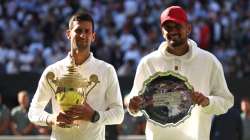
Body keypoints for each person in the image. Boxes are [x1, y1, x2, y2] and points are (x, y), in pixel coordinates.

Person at [127, 6, 234, 140]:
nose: (173, 31)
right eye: (168, 27)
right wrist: (133, 106)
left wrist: (207, 102)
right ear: (162, 31)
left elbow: (226, 101)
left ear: (188, 28)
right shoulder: (148, 62)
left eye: (177, 26)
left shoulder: (208, 61)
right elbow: (133, 100)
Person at [28, 12, 124, 140]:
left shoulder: (107, 70)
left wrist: (94, 116)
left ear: (93, 36)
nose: (83, 35)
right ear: (68, 34)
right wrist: (52, 118)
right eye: (78, 30)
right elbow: (33, 112)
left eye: (87, 31)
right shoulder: (52, 71)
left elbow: (119, 114)